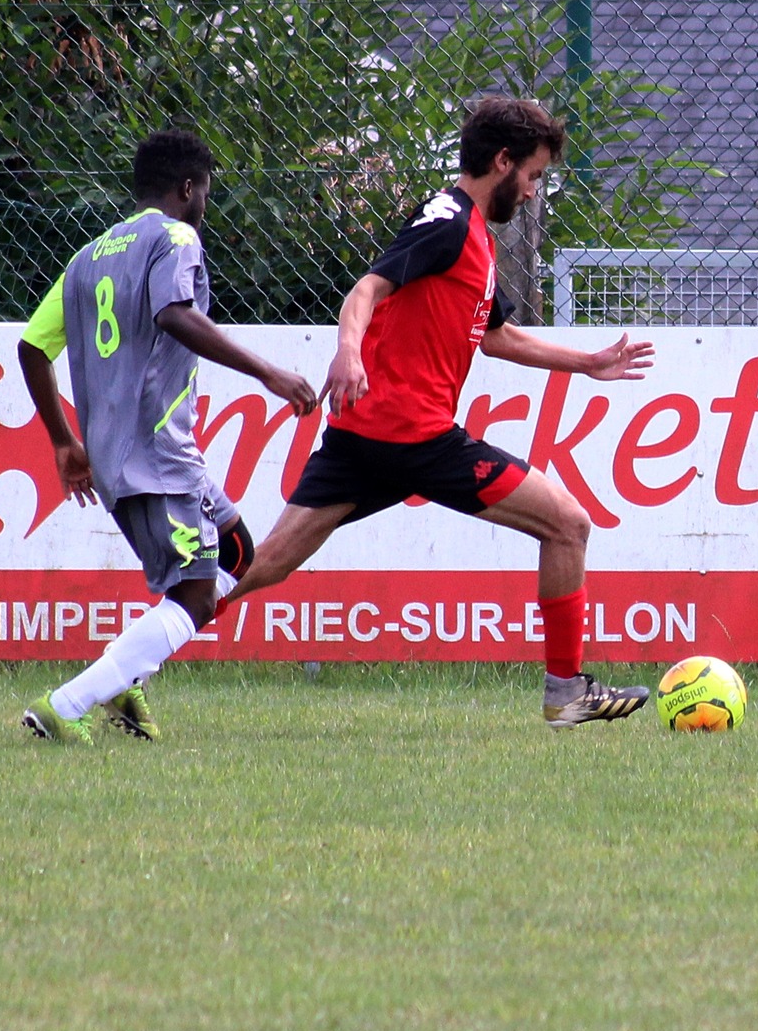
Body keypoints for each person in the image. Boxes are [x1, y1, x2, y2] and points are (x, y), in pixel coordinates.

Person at [224, 97, 659, 728]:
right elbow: (365, 289)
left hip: (364, 434)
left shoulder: (474, 236)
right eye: (533, 176)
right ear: (502, 161)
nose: (534, 193)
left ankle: (124, 665)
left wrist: (588, 362)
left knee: (268, 562)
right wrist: (348, 352)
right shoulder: (449, 223)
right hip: (414, 438)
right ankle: (565, 692)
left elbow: (497, 337)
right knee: (568, 525)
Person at [14, 129, 317, 744]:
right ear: (188, 188)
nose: (205, 202)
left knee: (235, 554)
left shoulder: (88, 256)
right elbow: (173, 314)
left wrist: (63, 442)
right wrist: (269, 373)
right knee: (198, 598)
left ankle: (124, 680)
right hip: (156, 450)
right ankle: (67, 703)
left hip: (112, 454)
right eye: (205, 189)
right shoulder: (176, 236)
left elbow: (30, 347)